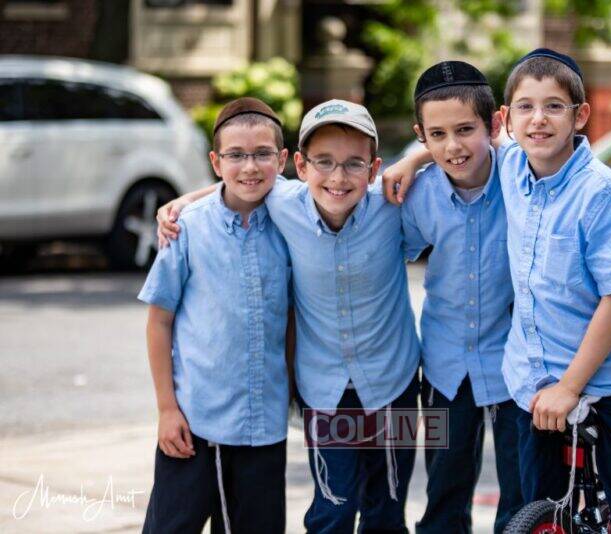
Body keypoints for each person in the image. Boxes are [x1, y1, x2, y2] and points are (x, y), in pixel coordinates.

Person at [387, 48, 611, 533]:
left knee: (603, 516)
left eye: (554, 106)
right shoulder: (504, 171)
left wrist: (569, 387)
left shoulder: (582, 188)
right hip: (510, 375)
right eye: (526, 107)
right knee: (497, 503)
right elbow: (457, 143)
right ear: (508, 118)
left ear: (580, 115)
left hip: (582, 378)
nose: (538, 119)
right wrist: (413, 160)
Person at [157, 100, 421, 534]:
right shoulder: (285, 203)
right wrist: (183, 202)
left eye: (354, 164)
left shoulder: (394, 205)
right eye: (324, 162)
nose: (338, 177)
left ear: (374, 169)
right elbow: (243, 182)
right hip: (325, 390)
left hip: (396, 384)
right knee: (334, 510)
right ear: (299, 165)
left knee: (388, 511)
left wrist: (416, 157)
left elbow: (471, 158)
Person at [139, 97, 293, 533]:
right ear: (215, 161)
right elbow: (159, 321)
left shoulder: (293, 219)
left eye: (262, 154)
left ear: (282, 160)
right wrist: (166, 410)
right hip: (194, 423)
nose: (250, 167)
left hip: (263, 427)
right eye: (236, 155)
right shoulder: (187, 228)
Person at [384, 61, 524, 534]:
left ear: (495, 124)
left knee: (522, 493)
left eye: (466, 130)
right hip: (445, 366)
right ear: (421, 135)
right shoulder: (415, 196)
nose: (453, 147)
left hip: (516, 362)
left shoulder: (521, 177)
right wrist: (413, 162)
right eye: (437, 135)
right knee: (444, 488)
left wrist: (415, 157)